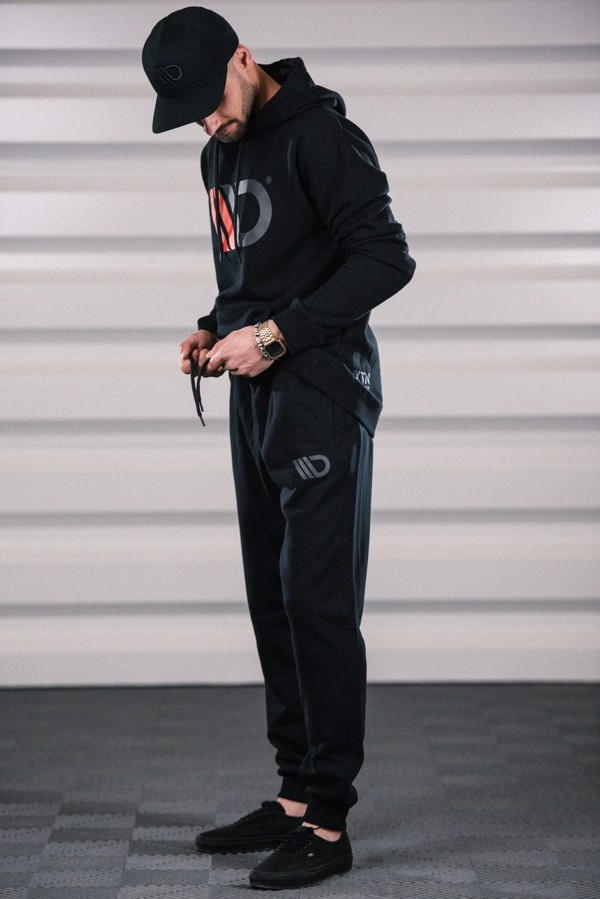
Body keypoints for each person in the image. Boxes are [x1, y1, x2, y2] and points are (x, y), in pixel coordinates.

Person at [142, 6, 415, 890]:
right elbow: (254, 274)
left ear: (244, 59)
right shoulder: (217, 153)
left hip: (323, 392)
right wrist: (214, 325)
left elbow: (386, 258)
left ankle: (329, 823)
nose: (208, 122)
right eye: (189, 115)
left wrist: (275, 336)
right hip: (259, 395)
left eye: (212, 100)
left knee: (317, 603)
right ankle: (295, 795)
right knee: (273, 598)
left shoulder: (323, 137)